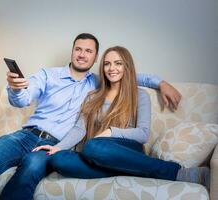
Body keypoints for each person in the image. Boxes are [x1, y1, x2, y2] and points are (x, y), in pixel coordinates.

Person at [0, 33, 182, 200]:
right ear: (72, 51)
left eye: (88, 51)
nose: (82, 54)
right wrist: (16, 88)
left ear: (94, 58)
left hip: (57, 143)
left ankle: (157, 169)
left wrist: (161, 83)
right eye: (78, 49)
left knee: (28, 171)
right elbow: (23, 99)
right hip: (26, 136)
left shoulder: (99, 83)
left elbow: (128, 75)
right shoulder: (50, 75)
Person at [34, 46, 210, 189]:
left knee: (93, 146)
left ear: (127, 67)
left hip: (125, 150)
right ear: (102, 68)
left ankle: (174, 172)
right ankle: (131, 170)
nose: (112, 68)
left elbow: (143, 134)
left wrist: (110, 132)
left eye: (118, 63)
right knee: (59, 159)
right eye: (107, 64)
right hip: (99, 153)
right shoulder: (92, 96)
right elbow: (80, 128)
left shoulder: (139, 95)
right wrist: (57, 147)